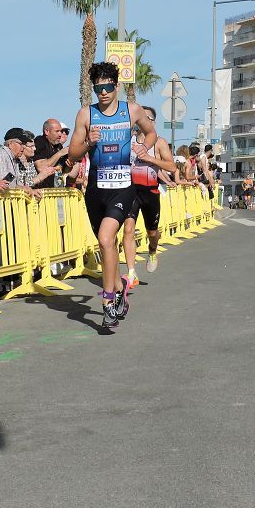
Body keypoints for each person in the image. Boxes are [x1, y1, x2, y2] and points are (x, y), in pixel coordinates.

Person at [67, 61, 156, 331]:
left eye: (107, 87)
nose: (103, 93)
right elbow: (72, 154)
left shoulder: (132, 110)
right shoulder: (86, 115)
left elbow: (151, 132)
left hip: (122, 186)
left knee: (107, 239)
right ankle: (118, 288)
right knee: (105, 246)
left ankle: (107, 305)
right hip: (95, 189)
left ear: (116, 86)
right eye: (98, 88)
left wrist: (142, 148)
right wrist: (89, 143)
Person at [122, 105, 177, 285]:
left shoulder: (159, 142)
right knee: (128, 229)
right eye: (141, 118)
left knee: (152, 233)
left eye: (148, 119)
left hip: (150, 191)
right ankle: (131, 272)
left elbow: (172, 167)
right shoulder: (128, 141)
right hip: (130, 190)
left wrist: (150, 158)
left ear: (153, 122)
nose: (143, 121)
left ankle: (152, 251)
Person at [33, 119, 71, 188]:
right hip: (42, 193)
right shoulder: (40, 141)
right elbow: (41, 167)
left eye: (61, 131)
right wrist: (60, 153)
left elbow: (66, 171)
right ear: (47, 131)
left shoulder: (58, 146)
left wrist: (71, 163)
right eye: (57, 131)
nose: (60, 134)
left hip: (56, 191)